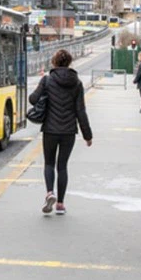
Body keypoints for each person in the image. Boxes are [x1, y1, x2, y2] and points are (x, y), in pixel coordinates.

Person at [28, 49, 92, 215]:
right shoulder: (77, 83)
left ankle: (50, 193)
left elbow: (33, 99)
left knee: (49, 163)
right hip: (69, 131)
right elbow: (81, 111)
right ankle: (61, 204)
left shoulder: (47, 80)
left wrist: (41, 88)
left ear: (54, 62)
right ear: (69, 62)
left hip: (50, 129)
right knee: (62, 166)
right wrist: (88, 135)